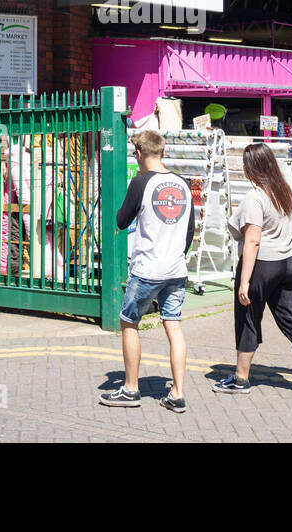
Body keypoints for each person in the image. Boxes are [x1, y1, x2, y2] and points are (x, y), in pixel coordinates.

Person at [215, 142, 292, 397]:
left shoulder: (255, 197)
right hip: (291, 261)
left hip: (265, 264)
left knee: (248, 317)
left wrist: (244, 281)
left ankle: (240, 378)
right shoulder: (283, 189)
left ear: (252, 168)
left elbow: (253, 241)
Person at [99, 130, 196, 414]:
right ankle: (177, 393)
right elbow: (190, 229)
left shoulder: (140, 182)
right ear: (162, 152)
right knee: (173, 325)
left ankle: (130, 388)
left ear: (139, 154)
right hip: (177, 269)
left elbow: (121, 220)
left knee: (129, 322)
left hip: (148, 269)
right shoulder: (183, 183)